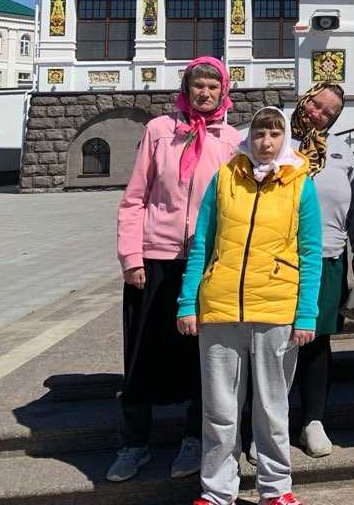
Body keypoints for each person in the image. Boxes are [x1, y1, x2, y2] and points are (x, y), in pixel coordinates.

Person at [177, 106, 322, 505]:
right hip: (220, 309)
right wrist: (188, 302)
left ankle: (276, 489)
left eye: (275, 134)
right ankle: (217, 490)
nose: (266, 142)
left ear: (285, 138)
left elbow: (310, 253)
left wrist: (306, 313)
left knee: (272, 409)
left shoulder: (299, 183)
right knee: (221, 410)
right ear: (249, 137)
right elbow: (201, 243)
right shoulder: (225, 177)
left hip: (276, 309)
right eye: (259, 133)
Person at [109, 57, 242, 483]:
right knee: (142, 352)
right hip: (155, 258)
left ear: (223, 93)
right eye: (197, 86)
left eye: (212, 87)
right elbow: (135, 199)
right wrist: (132, 257)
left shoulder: (232, 140)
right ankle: (134, 443)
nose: (204, 93)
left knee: (200, 357)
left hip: (204, 263)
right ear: (186, 90)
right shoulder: (159, 131)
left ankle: (192, 438)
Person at [288, 83, 354, 458]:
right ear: (305, 99)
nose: (318, 115)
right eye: (316, 105)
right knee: (270, 344)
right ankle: (265, 423)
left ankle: (313, 420)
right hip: (276, 260)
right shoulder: (272, 135)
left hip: (327, 257)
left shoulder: (341, 151)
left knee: (317, 342)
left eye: (330, 113)